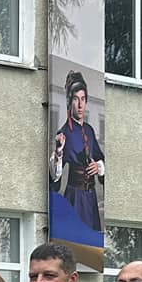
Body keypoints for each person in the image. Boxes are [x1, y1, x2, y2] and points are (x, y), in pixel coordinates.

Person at [50, 70, 105, 231]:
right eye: (76, 99)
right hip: (75, 198)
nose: (80, 105)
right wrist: (59, 152)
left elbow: (99, 157)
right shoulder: (64, 133)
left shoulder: (89, 130)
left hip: (91, 198)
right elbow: (55, 176)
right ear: (69, 102)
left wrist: (98, 167)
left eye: (83, 99)